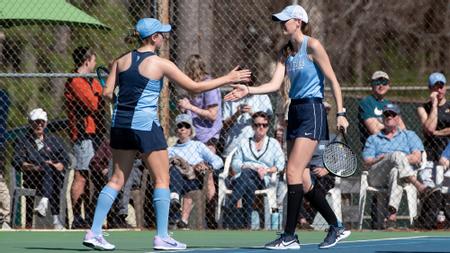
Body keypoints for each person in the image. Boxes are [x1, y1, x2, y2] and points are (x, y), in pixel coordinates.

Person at [82, 18, 250, 251]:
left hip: (120, 126)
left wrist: (120, 97)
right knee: (162, 180)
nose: (164, 36)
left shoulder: (120, 61)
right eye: (161, 33)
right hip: (145, 127)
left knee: (116, 180)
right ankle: (162, 237)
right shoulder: (161, 64)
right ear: (153, 38)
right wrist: (228, 79)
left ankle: (94, 232)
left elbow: (108, 93)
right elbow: (194, 87)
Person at [225, 4, 350, 249]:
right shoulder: (285, 52)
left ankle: (289, 236)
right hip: (294, 111)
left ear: (299, 22)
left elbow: (333, 80)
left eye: (286, 19)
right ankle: (336, 226)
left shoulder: (313, 46)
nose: (282, 23)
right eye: (281, 20)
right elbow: (274, 85)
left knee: (292, 172)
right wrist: (247, 90)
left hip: (313, 111)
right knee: (301, 179)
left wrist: (341, 112)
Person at [362, 103, 431, 228]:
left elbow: (417, 158)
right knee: (396, 155)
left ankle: (391, 216)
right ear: (382, 118)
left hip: (400, 174)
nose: (389, 117)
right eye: (386, 115)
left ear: (398, 118)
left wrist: (396, 158)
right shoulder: (373, 138)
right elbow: (367, 161)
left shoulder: (409, 135)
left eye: (393, 114)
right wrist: (382, 158)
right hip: (377, 176)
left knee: (396, 170)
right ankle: (418, 185)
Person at [12, 108, 70, 229]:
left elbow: (65, 160)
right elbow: (17, 162)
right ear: (30, 123)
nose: (39, 124)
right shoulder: (23, 141)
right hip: (33, 178)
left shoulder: (54, 141)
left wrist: (56, 165)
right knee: (48, 169)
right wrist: (35, 167)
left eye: (42, 122)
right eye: (36, 121)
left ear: (46, 123)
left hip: (53, 176)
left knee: (49, 169)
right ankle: (55, 220)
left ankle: (44, 202)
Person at [65, 46, 103, 229]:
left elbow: (101, 92)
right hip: (83, 134)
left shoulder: (90, 80)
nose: (95, 64)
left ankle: (88, 216)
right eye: (94, 61)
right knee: (82, 174)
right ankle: (76, 217)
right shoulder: (76, 81)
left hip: (95, 133)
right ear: (87, 61)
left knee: (91, 175)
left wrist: (99, 92)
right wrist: (99, 94)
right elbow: (93, 103)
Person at [226, 111, 285, 228]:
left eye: (264, 125)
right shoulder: (244, 142)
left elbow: (280, 165)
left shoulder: (273, 143)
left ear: (268, 127)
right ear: (253, 126)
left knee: (248, 178)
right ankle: (247, 223)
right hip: (244, 176)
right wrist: (246, 166)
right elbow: (235, 163)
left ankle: (230, 204)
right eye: (258, 125)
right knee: (249, 181)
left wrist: (266, 170)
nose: (261, 127)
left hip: (263, 178)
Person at [168, 114, 223, 229]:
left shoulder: (197, 146)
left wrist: (208, 166)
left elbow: (218, 161)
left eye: (186, 126)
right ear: (176, 130)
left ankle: (176, 213)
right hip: (176, 180)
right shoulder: (171, 150)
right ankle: (176, 210)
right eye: (180, 126)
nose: (183, 128)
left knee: (188, 186)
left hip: (195, 180)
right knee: (174, 170)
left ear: (190, 130)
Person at [178, 54, 223, 147]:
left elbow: (212, 115)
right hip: (196, 132)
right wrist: (185, 108)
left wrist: (189, 106)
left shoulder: (209, 85)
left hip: (208, 135)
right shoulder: (194, 85)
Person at [359, 71, 405, 144]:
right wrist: (394, 128)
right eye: (377, 82)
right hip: (375, 147)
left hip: (394, 145)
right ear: (371, 85)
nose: (381, 86)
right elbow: (375, 130)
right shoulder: (366, 102)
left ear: (388, 86)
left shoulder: (390, 104)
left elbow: (402, 128)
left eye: (384, 82)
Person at [417, 72, 449, 162]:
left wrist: (437, 133)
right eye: (435, 87)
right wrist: (434, 105)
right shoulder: (423, 108)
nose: (439, 90)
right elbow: (430, 129)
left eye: (441, 87)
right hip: (432, 148)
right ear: (430, 89)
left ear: (445, 87)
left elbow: (432, 132)